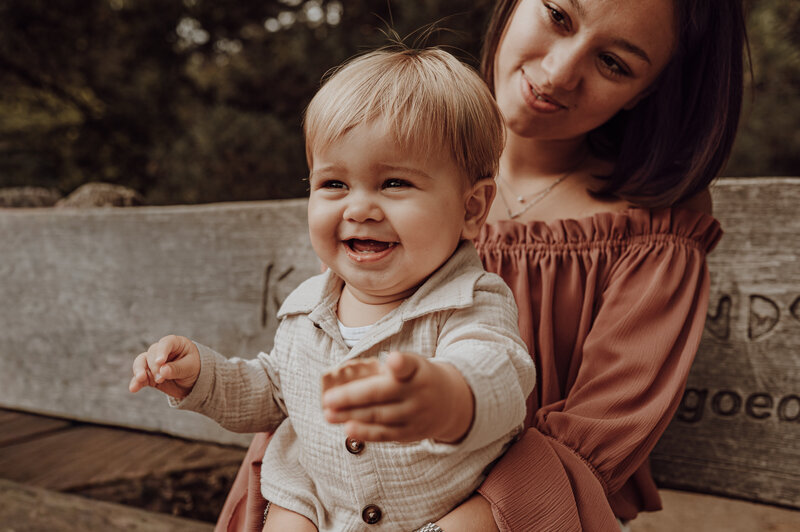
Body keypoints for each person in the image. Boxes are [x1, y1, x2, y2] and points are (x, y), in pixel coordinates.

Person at [214, 0, 747, 531]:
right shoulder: (385, 151)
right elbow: (304, 370)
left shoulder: (650, 229)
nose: (558, 73)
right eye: (558, 16)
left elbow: (602, 436)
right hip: (315, 495)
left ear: (649, 89)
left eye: (614, 63)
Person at [129, 47, 536, 531]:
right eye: (334, 184)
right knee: (285, 511)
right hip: (323, 510)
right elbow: (272, 393)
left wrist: (447, 397)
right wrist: (202, 377)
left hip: (437, 513)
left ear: (471, 208)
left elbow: (499, 374)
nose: (359, 208)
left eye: (394, 182)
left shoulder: (471, 301)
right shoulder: (307, 310)